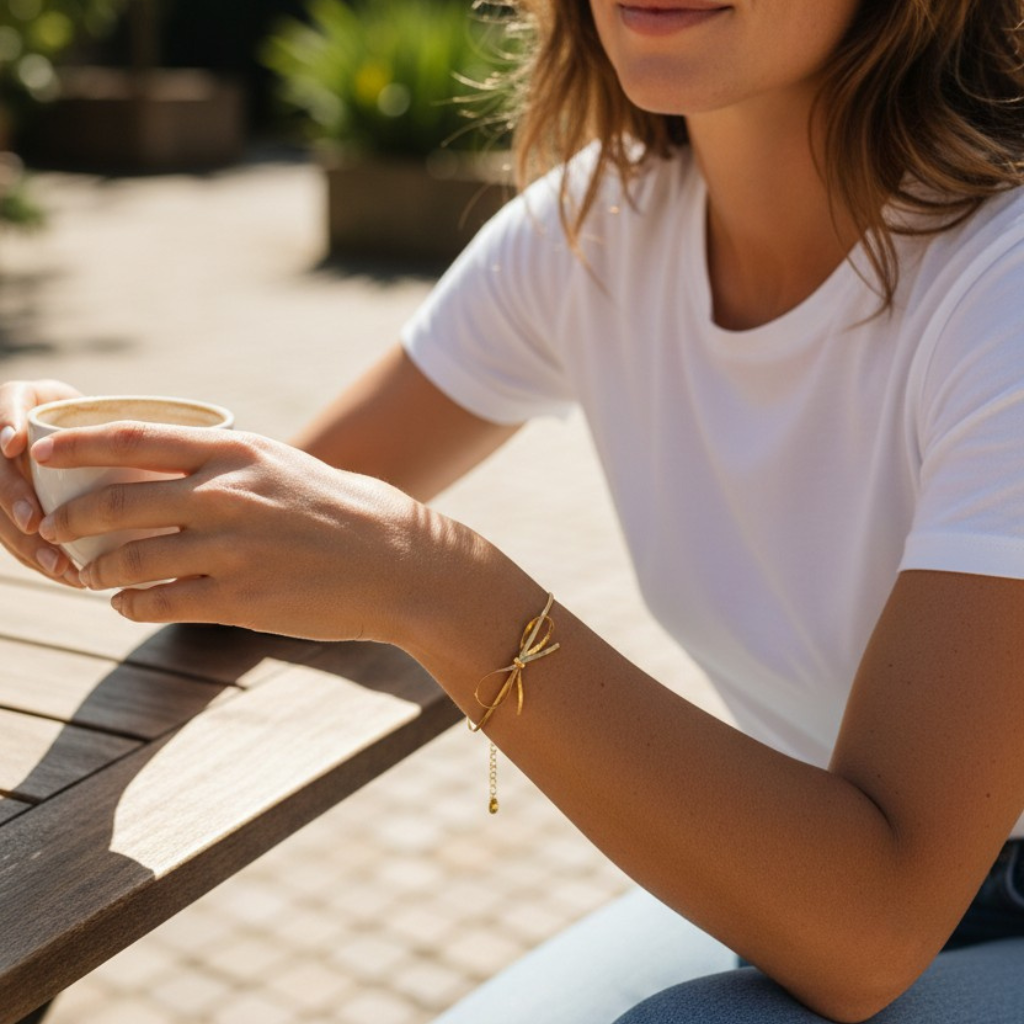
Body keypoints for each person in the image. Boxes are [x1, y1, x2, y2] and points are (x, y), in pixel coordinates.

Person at [3, 0, 1024, 1020]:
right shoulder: (596, 229)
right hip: (802, 867)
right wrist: (78, 467)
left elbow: (872, 926)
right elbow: (263, 536)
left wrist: (441, 587)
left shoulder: (1000, 284)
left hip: (891, 900)